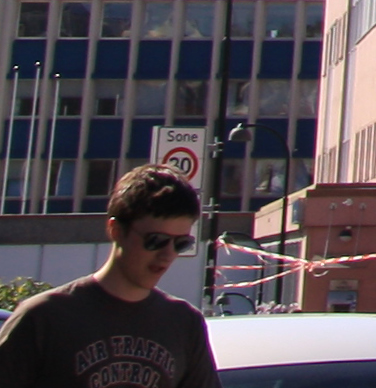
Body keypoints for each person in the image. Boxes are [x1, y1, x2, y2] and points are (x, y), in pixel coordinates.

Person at [0, 165, 221, 388]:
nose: (168, 254)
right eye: (156, 240)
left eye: (180, 243)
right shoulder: (43, 317)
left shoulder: (184, 322)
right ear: (116, 230)